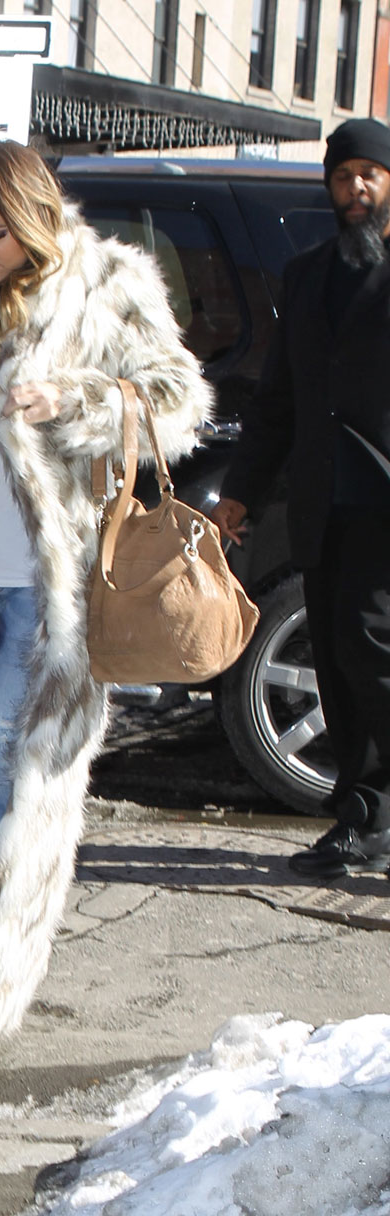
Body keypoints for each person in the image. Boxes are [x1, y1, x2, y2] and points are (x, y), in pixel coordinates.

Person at [0, 141, 211, 1069]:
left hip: (40, 583)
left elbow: (178, 399)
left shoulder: (103, 281)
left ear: (36, 217)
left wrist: (74, 399)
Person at [213, 119, 390, 880]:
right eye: (345, 175)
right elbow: (278, 402)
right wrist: (240, 493)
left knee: (374, 653)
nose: (357, 188)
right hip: (323, 503)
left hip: (385, 502)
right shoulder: (308, 273)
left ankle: (375, 814)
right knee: (339, 661)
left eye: (371, 175)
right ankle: (360, 818)